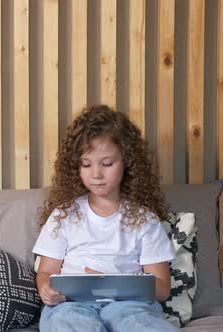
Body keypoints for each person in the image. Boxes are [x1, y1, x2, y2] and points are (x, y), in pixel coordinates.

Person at [32, 105, 178, 332]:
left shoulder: (144, 220)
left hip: (130, 305)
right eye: (86, 164)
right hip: (71, 304)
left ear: (127, 162)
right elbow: (46, 271)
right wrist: (45, 288)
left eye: (107, 164)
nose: (96, 174)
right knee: (64, 321)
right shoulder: (64, 215)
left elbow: (161, 289)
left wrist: (113, 283)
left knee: (140, 324)